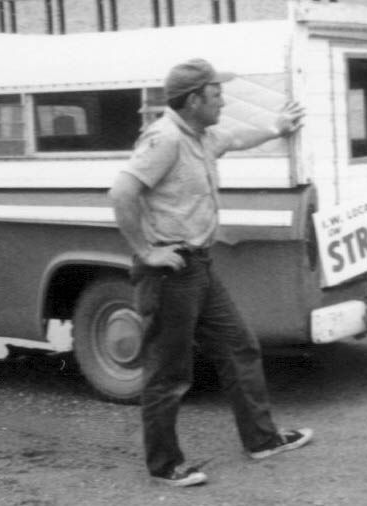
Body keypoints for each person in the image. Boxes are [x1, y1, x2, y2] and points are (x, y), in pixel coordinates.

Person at [109, 58, 311, 488]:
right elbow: (122, 192)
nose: (223, 101)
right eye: (217, 94)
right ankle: (165, 465)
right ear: (194, 99)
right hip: (170, 272)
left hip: (199, 265)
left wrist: (277, 127)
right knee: (169, 372)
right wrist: (146, 251)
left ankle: (262, 440)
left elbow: (236, 137)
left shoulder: (201, 135)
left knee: (239, 348)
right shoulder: (165, 139)